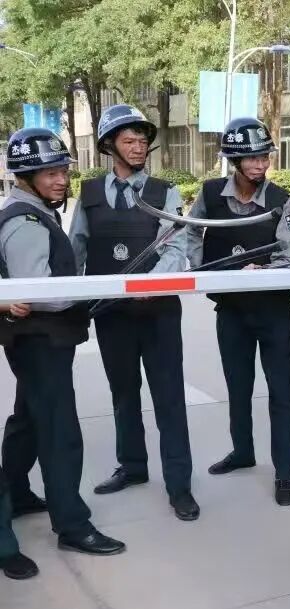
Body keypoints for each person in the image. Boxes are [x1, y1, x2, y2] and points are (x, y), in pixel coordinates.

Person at [68, 104, 199, 521]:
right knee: (123, 393)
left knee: (169, 397)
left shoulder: (165, 193)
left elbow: (177, 247)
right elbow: (75, 251)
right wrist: (68, 300)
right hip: (111, 314)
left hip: (158, 312)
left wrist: (150, 285)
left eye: (143, 141)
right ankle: (132, 466)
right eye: (129, 140)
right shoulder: (89, 195)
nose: (139, 147)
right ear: (109, 145)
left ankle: (179, 485)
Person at [0, 128, 126, 556]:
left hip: (36, 339)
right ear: (25, 176)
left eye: (63, 171)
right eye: (49, 173)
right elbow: (39, 292)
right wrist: (89, 290)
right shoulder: (25, 221)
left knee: (28, 420)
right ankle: (72, 525)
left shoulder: (34, 211)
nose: (61, 180)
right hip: (40, 341)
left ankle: (16, 493)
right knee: (60, 432)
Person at [185, 117, 290, 507]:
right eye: (251, 157)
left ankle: (284, 472)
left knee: (280, 392)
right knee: (238, 386)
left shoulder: (283, 201)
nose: (259, 164)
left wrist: (265, 271)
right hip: (231, 310)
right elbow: (191, 229)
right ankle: (242, 451)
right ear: (234, 160)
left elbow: (288, 256)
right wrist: (201, 268)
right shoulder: (210, 194)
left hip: (272, 311)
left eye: (264, 156)